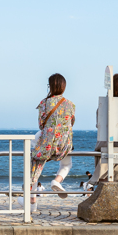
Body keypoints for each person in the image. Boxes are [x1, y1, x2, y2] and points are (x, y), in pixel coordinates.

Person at [29, 73, 76, 205]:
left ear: (50, 86)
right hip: (64, 144)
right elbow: (71, 123)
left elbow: (41, 124)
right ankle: (57, 181)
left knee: (36, 162)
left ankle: (32, 196)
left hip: (47, 143)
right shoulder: (71, 105)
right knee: (66, 164)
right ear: (64, 87)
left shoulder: (44, 103)